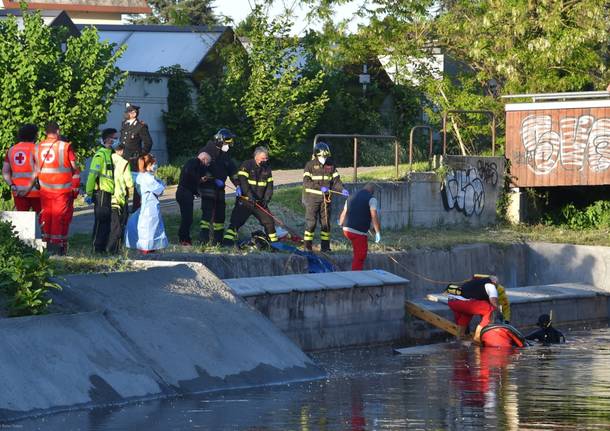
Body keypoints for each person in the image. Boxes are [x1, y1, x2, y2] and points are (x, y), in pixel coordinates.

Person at [35, 121, 80, 255]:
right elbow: (74, 168)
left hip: (44, 189)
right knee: (58, 218)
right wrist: (75, 188)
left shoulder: (38, 147)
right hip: (61, 189)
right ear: (58, 131)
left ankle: (45, 247)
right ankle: (56, 249)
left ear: (45, 132)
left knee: (46, 217)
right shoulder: (65, 147)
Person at [223, 146, 278, 246]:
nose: (265, 160)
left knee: (269, 221)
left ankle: (274, 244)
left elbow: (270, 186)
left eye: (266, 158)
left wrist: (267, 199)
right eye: (263, 158)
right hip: (246, 201)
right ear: (256, 157)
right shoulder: (246, 165)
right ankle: (227, 242)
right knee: (236, 222)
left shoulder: (267, 169)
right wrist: (249, 195)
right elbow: (243, 182)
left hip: (260, 203)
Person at [303, 142, 349, 252]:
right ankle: (307, 247)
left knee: (326, 224)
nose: (324, 159)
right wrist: (320, 188)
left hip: (326, 200)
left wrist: (342, 189)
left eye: (326, 156)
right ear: (316, 155)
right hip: (312, 199)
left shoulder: (331, 166)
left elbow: (336, 182)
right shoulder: (310, 165)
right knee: (311, 223)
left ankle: (325, 247)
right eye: (322, 156)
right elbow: (306, 182)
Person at [199, 128, 238, 245]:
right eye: (227, 143)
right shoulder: (206, 151)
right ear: (220, 141)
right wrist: (213, 179)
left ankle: (218, 241)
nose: (228, 145)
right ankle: (204, 240)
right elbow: (201, 170)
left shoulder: (225, 154)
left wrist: (238, 185)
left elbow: (232, 171)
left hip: (220, 189)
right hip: (208, 188)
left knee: (220, 215)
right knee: (207, 214)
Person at [125, 154, 168, 253]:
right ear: (148, 164)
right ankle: (147, 250)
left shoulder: (142, 176)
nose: (155, 166)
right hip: (150, 207)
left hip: (146, 205)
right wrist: (161, 184)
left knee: (146, 229)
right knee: (150, 230)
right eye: (153, 163)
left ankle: (146, 248)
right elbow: (160, 190)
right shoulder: (148, 178)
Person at [85, 128, 116, 253]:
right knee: (101, 221)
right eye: (114, 137)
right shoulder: (100, 155)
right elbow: (92, 175)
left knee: (107, 222)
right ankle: (96, 247)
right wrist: (89, 192)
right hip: (102, 192)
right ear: (107, 139)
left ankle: (103, 247)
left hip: (109, 192)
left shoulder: (111, 154)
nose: (115, 140)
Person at [446, 275, 502, 342]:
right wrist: (499, 313)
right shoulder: (491, 285)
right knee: (490, 310)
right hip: (462, 301)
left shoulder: (475, 283)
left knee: (468, 312)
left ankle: (460, 337)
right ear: (494, 282)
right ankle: (477, 338)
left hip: (451, 301)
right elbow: (493, 302)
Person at [338, 183, 381, 270]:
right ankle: (356, 275)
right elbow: (374, 216)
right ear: (372, 192)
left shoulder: (351, 197)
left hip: (346, 230)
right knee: (360, 255)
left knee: (357, 251)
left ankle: (357, 272)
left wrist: (340, 223)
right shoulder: (372, 199)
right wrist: (377, 232)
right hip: (358, 232)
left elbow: (344, 212)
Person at [120, 103, 153, 211]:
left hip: (135, 161)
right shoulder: (124, 124)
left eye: (128, 112)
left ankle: (136, 209)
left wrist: (140, 155)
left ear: (134, 114)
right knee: (123, 185)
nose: (126, 114)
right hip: (123, 160)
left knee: (137, 185)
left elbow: (148, 143)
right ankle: (123, 209)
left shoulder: (140, 126)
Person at [176, 150, 212, 245]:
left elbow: (190, 181)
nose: (207, 166)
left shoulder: (194, 164)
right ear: (204, 159)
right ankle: (184, 239)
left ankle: (185, 238)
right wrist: (200, 179)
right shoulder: (194, 162)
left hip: (185, 193)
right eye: (207, 163)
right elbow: (190, 175)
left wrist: (196, 192)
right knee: (187, 218)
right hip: (184, 193)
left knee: (187, 218)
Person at [2, 124, 41, 212]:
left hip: (18, 191)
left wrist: (11, 185)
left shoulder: (11, 150)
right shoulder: (37, 149)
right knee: (41, 220)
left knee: (22, 220)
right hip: (36, 192)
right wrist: (27, 189)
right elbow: (38, 170)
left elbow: (5, 171)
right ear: (34, 135)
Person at [107, 142, 134, 253]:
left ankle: (103, 247)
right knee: (118, 226)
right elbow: (129, 183)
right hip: (119, 198)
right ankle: (113, 249)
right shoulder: (124, 163)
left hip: (106, 196)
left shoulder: (107, 159)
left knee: (108, 225)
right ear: (121, 151)